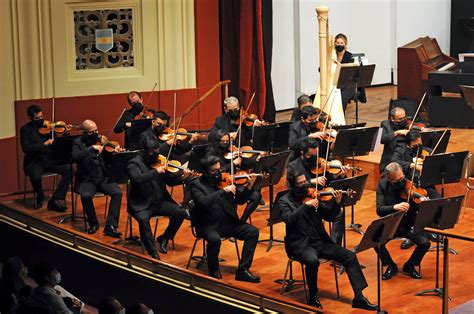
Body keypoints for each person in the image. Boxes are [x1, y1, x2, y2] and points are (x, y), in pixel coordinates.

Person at [279, 169, 376, 310]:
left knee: (349, 256)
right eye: (300, 183)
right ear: (293, 186)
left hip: (319, 241)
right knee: (312, 261)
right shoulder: (285, 200)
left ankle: (359, 297)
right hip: (300, 244)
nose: (304, 185)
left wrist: (337, 203)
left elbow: (329, 216)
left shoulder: (313, 194)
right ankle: (313, 296)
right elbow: (289, 219)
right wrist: (305, 206)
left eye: (305, 181)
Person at [190, 155, 260, 282]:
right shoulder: (196, 184)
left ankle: (243, 270)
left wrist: (248, 187)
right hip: (208, 224)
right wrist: (223, 191)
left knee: (252, 232)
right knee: (215, 240)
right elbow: (203, 202)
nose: (219, 173)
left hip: (228, 222)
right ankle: (213, 269)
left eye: (219, 169)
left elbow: (240, 201)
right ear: (205, 171)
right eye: (214, 171)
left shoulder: (224, 181)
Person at [127, 138, 188, 259]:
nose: (155, 154)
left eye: (157, 151)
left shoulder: (160, 160)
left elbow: (170, 182)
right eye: (152, 152)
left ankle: (165, 237)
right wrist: (156, 171)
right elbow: (138, 179)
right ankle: (152, 251)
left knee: (181, 212)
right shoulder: (133, 163)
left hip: (160, 202)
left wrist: (183, 178)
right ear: (144, 151)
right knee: (143, 220)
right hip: (142, 204)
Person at [375, 162, 437, 280]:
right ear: (389, 178)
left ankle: (410, 265)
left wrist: (422, 200)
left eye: (402, 178)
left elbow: (418, 202)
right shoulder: (383, 185)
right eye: (397, 181)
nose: (402, 182)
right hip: (392, 223)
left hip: (408, 223)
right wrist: (394, 207)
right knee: (376, 241)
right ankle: (390, 265)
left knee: (424, 243)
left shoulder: (409, 182)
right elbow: (379, 209)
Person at [287, 138, 347, 246]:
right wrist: (310, 182)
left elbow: (330, 181)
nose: (314, 159)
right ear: (302, 153)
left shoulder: (320, 163)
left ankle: (334, 248)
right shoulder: (293, 166)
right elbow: (291, 189)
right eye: (310, 156)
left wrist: (340, 175)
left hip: (321, 199)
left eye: (315, 155)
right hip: (305, 202)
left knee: (339, 213)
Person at [72, 119, 123, 237]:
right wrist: (91, 148)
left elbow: (109, 160)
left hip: (103, 178)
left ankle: (111, 226)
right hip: (87, 179)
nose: (96, 134)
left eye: (96, 130)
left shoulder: (102, 141)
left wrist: (114, 153)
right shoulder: (77, 142)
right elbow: (75, 157)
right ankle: (93, 223)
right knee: (85, 196)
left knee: (117, 192)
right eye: (92, 132)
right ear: (84, 132)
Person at [20, 105, 72, 211]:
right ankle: (40, 195)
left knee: (69, 170)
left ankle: (56, 199)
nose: (41, 120)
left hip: (50, 159)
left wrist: (64, 133)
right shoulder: (25, 129)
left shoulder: (49, 128)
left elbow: (57, 144)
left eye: (42, 117)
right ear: (30, 118)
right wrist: (44, 143)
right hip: (35, 161)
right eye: (37, 118)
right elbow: (26, 148)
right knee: (35, 177)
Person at [206, 129, 263, 222]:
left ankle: (242, 221)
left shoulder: (232, 151)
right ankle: (232, 225)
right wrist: (232, 163)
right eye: (222, 141)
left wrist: (257, 158)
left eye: (227, 141)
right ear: (217, 142)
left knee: (256, 196)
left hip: (235, 182)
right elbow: (218, 171)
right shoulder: (211, 154)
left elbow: (245, 163)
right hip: (221, 185)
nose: (225, 144)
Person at [333, 33, 367, 112]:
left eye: (341, 43)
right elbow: (320, 69)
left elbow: (352, 74)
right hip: (334, 84)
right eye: (337, 43)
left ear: (345, 44)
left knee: (341, 97)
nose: (339, 45)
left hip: (348, 85)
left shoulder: (350, 57)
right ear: (334, 43)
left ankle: (341, 118)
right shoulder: (331, 55)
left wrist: (340, 66)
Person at [379, 107, 410, 174]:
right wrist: (396, 133)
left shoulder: (408, 124)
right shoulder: (384, 124)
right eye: (400, 119)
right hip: (390, 159)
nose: (403, 120)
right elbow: (381, 139)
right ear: (392, 119)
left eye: (404, 117)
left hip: (404, 158)